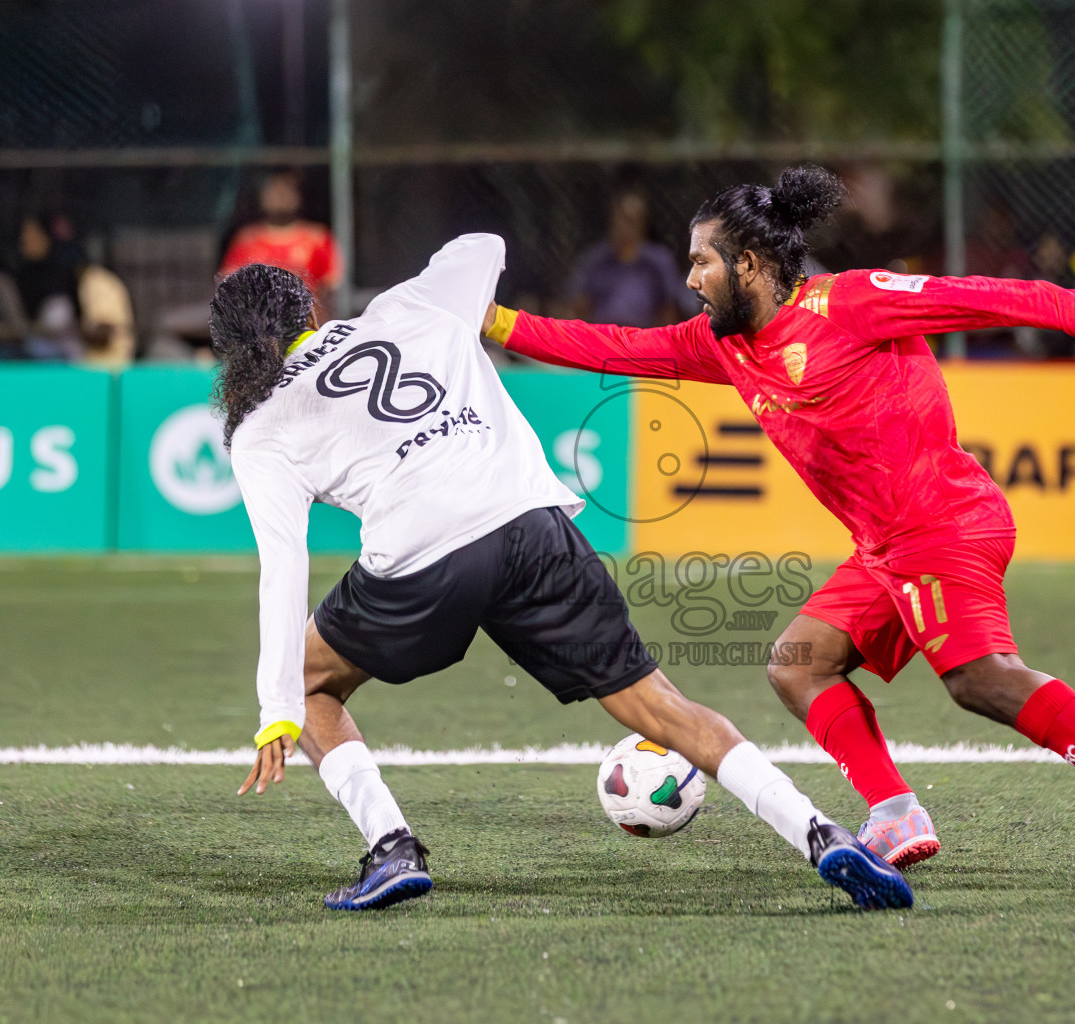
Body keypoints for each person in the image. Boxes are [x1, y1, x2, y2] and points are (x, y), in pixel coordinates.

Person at [483, 166, 1075, 888]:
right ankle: (895, 812)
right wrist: (494, 323)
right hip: (886, 549)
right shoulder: (723, 346)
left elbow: (974, 298)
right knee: (799, 663)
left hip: (945, 523)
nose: (692, 278)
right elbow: (611, 347)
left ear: (750, 264)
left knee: (980, 680)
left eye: (702, 261)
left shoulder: (849, 301)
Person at [213, 236, 913, 912]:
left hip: (421, 561)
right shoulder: (409, 307)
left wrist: (278, 708)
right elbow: (482, 243)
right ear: (310, 311)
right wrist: (442, 297)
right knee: (661, 707)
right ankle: (820, 832)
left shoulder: (257, 428)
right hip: (531, 524)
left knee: (310, 683)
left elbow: (283, 565)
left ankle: (393, 845)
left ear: (236, 355)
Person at [219, 169, 343, 316]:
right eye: (273, 190)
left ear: (299, 196)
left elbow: (332, 285)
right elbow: (229, 285)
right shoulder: (246, 239)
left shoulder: (317, 237)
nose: (280, 195)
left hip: (307, 325)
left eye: (286, 190)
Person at [566, 187, 691, 327]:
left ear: (643, 223)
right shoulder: (595, 259)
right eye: (622, 218)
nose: (626, 226)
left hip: (642, 339)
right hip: (601, 338)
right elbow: (578, 306)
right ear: (612, 219)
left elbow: (669, 310)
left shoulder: (658, 261)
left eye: (632, 220)